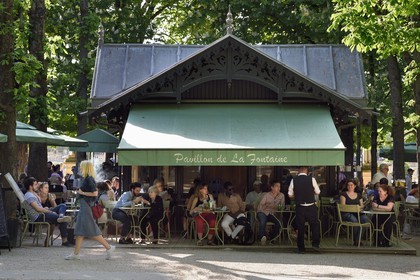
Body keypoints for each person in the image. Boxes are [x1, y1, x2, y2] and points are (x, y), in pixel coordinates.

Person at [65, 160, 115, 260]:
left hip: (86, 207)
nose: (80, 169)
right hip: (85, 206)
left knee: (90, 230)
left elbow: (95, 193)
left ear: (85, 168)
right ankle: (76, 254)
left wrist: (81, 193)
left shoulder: (89, 179)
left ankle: (109, 247)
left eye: (81, 167)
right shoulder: (87, 178)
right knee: (80, 230)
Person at [23, 177, 72, 247]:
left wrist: (48, 207)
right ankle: (65, 241)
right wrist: (50, 212)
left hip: (42, 213)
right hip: (39, 216)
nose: (37, 186)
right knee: (63, 220)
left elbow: (40, 184)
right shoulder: (29, 195)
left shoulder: (33, 193)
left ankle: (61, 216)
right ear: (30, 186)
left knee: (62, 206)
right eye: (35, 184)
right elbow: (38, 209)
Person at [288, 166, 321, 253]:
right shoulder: (312, 179)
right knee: (314, 225)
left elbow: (290, 194)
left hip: (300, 206)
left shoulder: (294, 180)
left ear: (299, 170)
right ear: (306, 170)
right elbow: (318, 192)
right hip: (311, 206)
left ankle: (301, 248)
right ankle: (315, 244)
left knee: (300, 227)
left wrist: (297, 195)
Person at [339, 179, 370, 246]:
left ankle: (358, 239)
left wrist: (358, 208)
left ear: (355, 186)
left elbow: (362, 206)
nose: (350, 186)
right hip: (347, 214)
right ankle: (357, 241)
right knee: (354, 220)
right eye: (348, 185)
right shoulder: (343, 194)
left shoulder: (359, 195)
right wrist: (354, 208)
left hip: (358, 213)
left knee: (365, 219)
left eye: (351, 185)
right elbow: (343, 207)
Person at [256, 180, 284, 246]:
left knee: (278, 223)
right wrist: (271, 206)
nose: (279, 188)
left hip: (272, 213)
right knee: (263, 221)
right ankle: (262, 237)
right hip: (262, 211)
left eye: (279, 186)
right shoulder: (267, 195)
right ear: (272, 187)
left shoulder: (281, 196)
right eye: (277, 186)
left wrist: (270, 206)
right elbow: (261, 205)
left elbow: (281, 207)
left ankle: (272, 238)